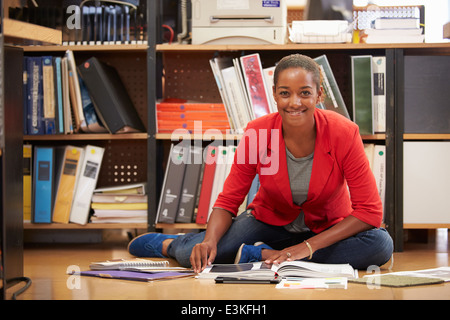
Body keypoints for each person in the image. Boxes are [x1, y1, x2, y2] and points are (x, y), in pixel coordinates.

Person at [128, 54, 393, 273]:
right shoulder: (257, 132)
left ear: (319, 95)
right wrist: (209, 240)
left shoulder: (344, 132)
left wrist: (307, 247)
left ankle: (263, 256)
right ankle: (174, 244)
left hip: (327, 225)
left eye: (305, 93)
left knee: (380, 245)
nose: (294, 103)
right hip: (268, 220)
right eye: (285, 93)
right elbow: (228, 201)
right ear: (274, 95)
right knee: (193, 256)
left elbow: (369, 212)